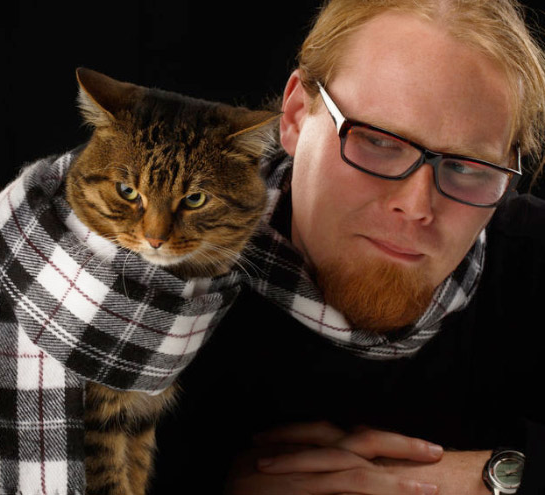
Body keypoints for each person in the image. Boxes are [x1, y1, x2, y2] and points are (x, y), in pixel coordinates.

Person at [147, 0, 545, 494]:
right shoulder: (146, 282)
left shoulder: (529, 260)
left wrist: (498, 480)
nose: (417, 206)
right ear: (294, 117)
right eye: (378, 141)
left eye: (467, 167)